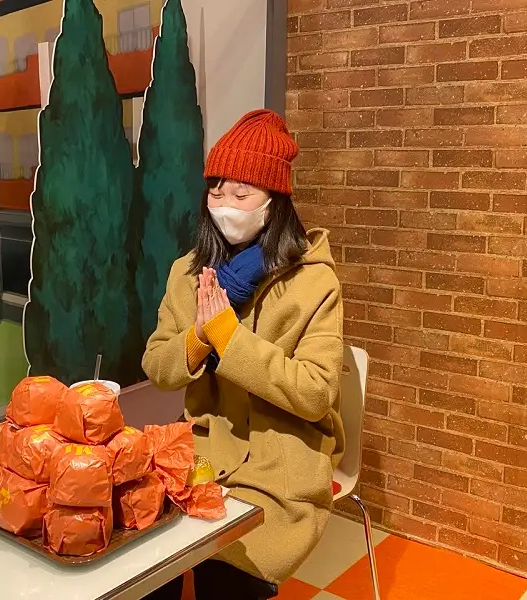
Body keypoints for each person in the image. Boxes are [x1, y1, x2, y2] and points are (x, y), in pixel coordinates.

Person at [142, 109, 345, 600]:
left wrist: (229, 340)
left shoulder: (313, 281)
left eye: (241, 194)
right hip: (202, 446)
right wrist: (198, 338)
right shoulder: (187, 273)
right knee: (144, 559)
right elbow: (157, 366)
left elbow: (315, 393)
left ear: (274, 202)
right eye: (216, 191)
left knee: (232, 569)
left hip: (280, 456)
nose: (225, 205)